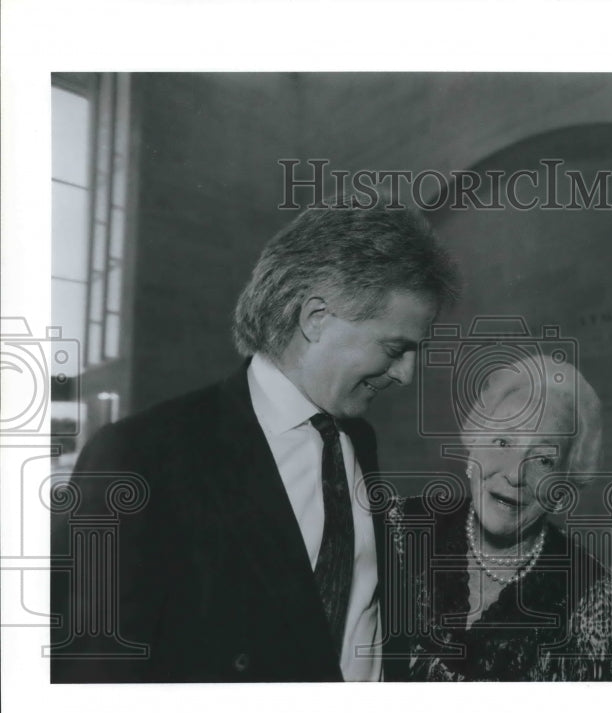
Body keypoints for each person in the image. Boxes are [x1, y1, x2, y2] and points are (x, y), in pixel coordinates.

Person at [50, 201, 458, 683]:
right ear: (316, 319)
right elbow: (93, 674)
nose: (406, 375)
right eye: (395, 349)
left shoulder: (357, 441)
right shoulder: (139, 457)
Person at [386, 354, 612, 681]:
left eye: (544, 461)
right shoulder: (397, 527)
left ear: (562, 487)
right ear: (473, 444)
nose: (515, 474)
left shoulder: (595, 598)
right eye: (503, 441)